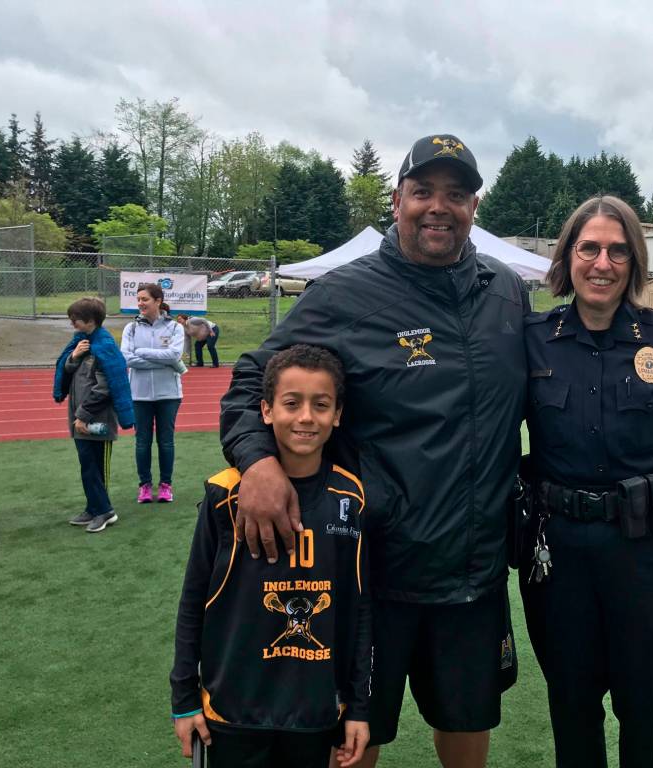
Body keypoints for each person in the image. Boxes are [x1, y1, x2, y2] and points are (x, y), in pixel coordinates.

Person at [218, 134, 527, 768]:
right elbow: (254, 377)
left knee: (467, 724)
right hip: (373, 572)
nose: (437, 207)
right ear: (397, 201)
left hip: (476, 569)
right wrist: (257, 461)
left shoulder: (506, 291)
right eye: (422, 193)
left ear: (475, 205)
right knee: (356, 741)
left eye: (455, 195)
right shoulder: (344, 294)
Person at [520, 196, 653, 768]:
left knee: (645, 719)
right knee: (571, 714)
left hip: (649, 561)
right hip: (558, 562)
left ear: (635, 262)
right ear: (567, 257)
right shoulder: (531, 340)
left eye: (618, 251)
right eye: (588, 248)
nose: (602, 263)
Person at [171, 344, 370, 768]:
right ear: (265, 411)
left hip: (315, 711)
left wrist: (358, 706)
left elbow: (358, 608)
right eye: (291, 403)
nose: (305, 418)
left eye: (321, 405)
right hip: (232, 710)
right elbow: (194, 601)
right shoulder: (224, 495)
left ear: (337, 415)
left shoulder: (350, 497)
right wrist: (184, 697)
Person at [53, 297, 136, 533]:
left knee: (96, 467)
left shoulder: (105, 346)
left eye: (75, 320)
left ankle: (105, 511)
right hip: (80, 417)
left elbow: (105, 387)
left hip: (97, 420)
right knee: (86, 465)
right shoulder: (81, 343)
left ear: (89, 321)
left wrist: (83, 415)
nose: (72, 324)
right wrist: (73, 358)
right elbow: (67, 371)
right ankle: (93, 507)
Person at [121, 283, 185, 504]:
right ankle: (145, 486)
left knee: (166, 442)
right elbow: (127, 359)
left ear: (158, 301)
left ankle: (165, 486)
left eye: (145, 299)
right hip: (139, 395)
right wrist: (162, 361)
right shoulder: (131, 328)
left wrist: (142, 353)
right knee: (142, 442)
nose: (140, 303)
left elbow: (175, 354)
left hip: (169, 395)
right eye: (138, 299)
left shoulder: (175, 327)